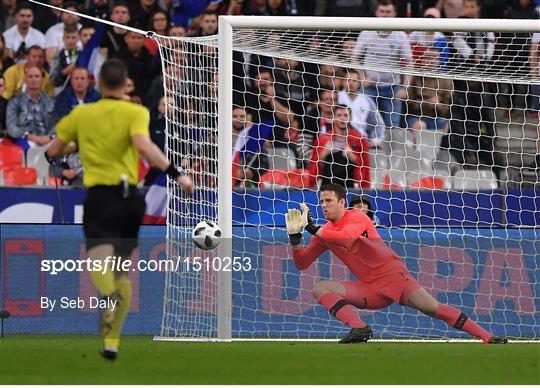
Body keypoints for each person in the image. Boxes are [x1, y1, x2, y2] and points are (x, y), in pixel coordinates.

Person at [45, 59, 193, 360]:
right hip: (131, 200)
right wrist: (176, 173)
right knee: (122, 270)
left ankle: (108, 296)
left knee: (98, 263)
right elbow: (143, 145)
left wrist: (78, 144)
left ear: (98, 83)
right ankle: (111, 341)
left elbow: (52, 152)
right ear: (125, 82)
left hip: (101, 197)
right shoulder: (136, 112)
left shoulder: (82, 113)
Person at [285, 183, 508, 344]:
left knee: (431, 307)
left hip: (393, 276)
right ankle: (359, 328)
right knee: (321, 288)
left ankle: (486, 336)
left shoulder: (357, 217)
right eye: (321, 201)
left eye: (328, 201)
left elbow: (347, 236)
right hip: (370, 287)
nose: (324, 205)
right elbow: (302, 263)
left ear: (342, 202)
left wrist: (313, 228)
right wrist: (295, 239)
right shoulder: (323, 233)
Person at [308, 105, 370, 189]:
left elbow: (365, 167)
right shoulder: (322, 139)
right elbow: (314, 169)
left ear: (350, 118)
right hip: (327, 185)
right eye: (339, 115)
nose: (342, 118)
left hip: (350, 187)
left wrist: (353, 158)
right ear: (333, 117)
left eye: (345, 115)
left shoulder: (359, 140)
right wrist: (323, 155)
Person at [6, 66, 55, 151]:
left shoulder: (50, 101)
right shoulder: (15, 101)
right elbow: (11, 126)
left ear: (42, 80)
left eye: (36, 76)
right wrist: (29, 137)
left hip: (46, 139)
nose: (33, 80)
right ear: (25, 79)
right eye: (30, 76)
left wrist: (49, 137)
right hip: (25, 139)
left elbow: (57, 124)